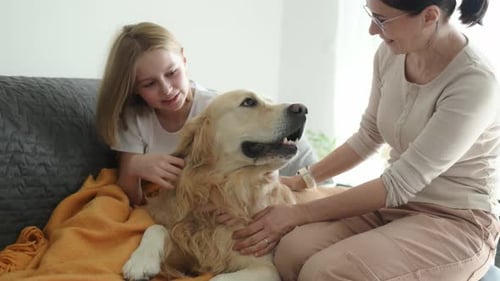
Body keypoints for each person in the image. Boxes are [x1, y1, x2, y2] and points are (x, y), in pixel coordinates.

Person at [231, 1, 500, 280]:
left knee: (324, 272)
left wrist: (297, 213)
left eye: (382, 20)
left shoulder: (475, 82)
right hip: (395, 207)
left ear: (429, 16)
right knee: (291, 251)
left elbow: (400, 182)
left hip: (456, 221)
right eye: (371, 16)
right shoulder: (391, 54)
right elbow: (370, 135)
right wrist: (302, 180)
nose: (372, 30)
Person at [95, 21, 319, 206]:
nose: (167, 89)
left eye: (172, 73)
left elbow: (264, 173)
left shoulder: (214, 108)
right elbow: (132, 199)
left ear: (184, 60)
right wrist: (135, 168)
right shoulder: (134, 120)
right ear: (133, 87)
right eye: (149, 83)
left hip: (295, 170)